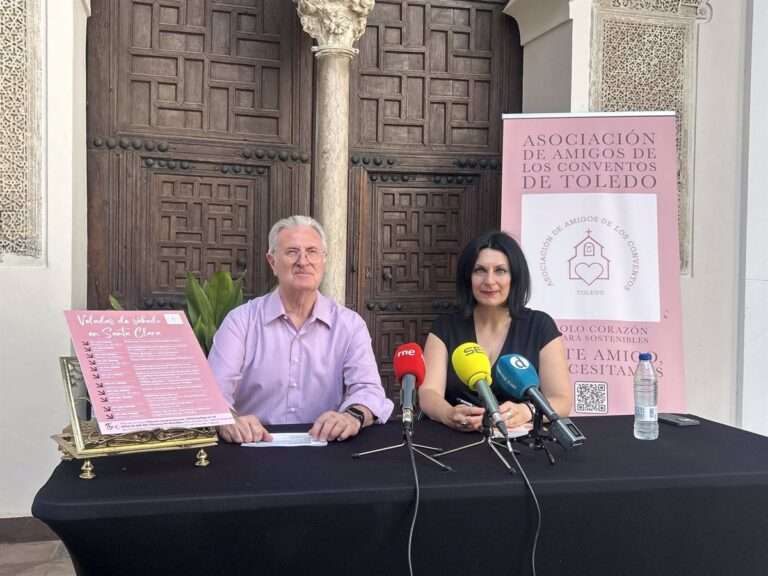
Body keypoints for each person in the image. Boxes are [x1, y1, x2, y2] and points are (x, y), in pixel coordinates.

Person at [208, 215, 393, 443]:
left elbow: (368, 390)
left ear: (324, 260)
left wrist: (351, 416)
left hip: (326, 449)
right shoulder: (241, 322)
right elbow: (213, 396)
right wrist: (229, 420)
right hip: (255, 447)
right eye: (292, 252)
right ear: (272, 261)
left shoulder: (350, 325)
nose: (303, 261)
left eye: (312, 251)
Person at [418, 231, 572, 432]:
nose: (489, 281)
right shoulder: (445, 327)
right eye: (479, 270)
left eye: (500, 270)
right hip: (457, 444)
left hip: (521, 447)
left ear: (514, 277)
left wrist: (527, 411)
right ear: (468, 277)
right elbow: (429, 393)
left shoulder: (540, 326)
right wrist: (448, 414)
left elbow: (562, 400)